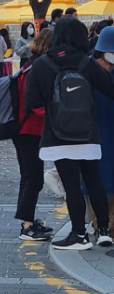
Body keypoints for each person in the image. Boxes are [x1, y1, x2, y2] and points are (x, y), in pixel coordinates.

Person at [25, 17, 114, 251]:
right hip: (88, 133)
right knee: (95, 181)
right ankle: (104, 232)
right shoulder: (87, 63)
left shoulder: (42, 64)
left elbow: (32, 102)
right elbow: (110, 89)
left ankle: (78, 235)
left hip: (57, 136)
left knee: (71, 184)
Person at [12, 28, 54, 241]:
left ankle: (26, 220)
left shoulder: (31, 64)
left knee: (28, 177)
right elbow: (33, 104)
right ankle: (27, 227)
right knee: (33, 178)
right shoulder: (38, 68)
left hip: (23, 129)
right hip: (29, 129)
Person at [92, 27, 114, 238]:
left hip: (99, 131)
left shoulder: (84, 67)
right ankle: (100, 226)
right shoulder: (87, 69)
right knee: (95, 180)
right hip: (93, 133)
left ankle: (106, 228)